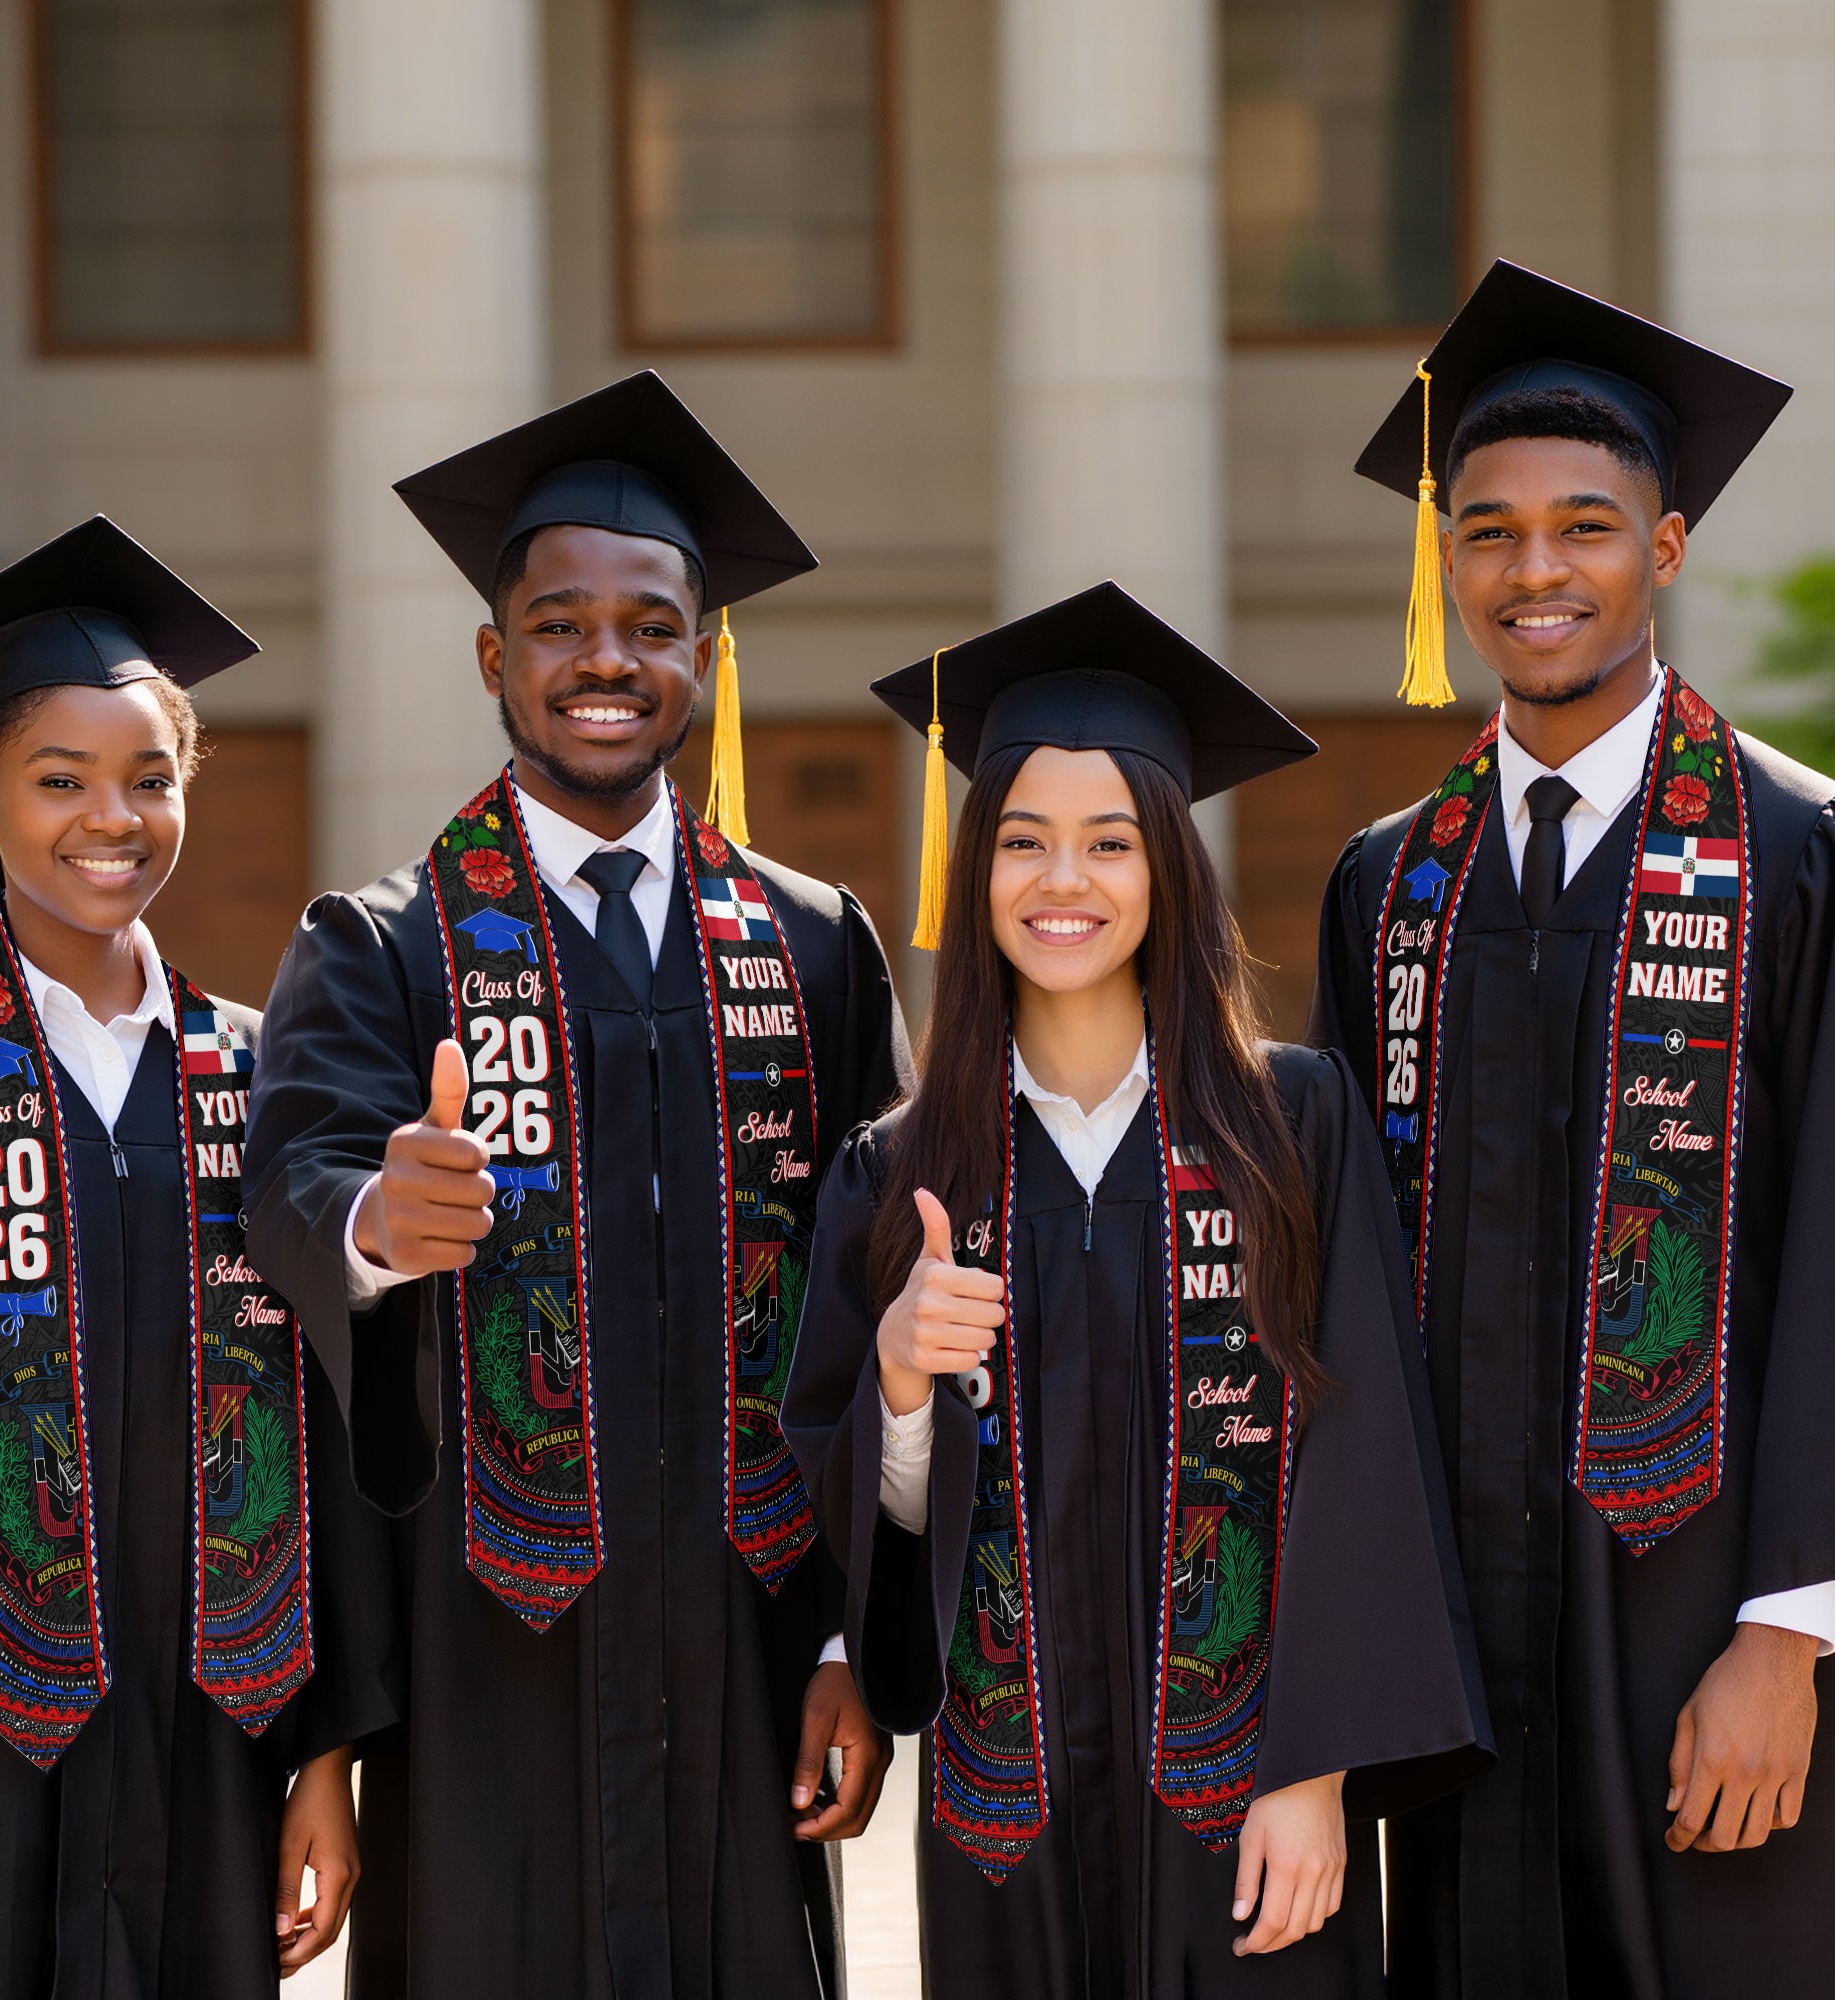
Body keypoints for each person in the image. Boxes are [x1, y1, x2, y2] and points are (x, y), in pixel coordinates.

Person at [242, 371, 911, 1996]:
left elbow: (879, 1297)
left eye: (651, 626)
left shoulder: (812, 947)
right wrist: (375, 1224)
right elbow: (292, 1187)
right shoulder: (385, 947)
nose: (606, 661)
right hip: (487, 1661)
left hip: (749, 1644)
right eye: (558, 626)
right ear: (495, 657)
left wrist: (850, 1637)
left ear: (706, 657)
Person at [783, 582, 1490, 1998]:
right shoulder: (902, 1169)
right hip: (1006, 1818)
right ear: (974, 871)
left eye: (1109, 842)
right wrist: (903, 1386)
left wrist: (1316, 1770)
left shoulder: (1294, 1127)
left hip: (1247, 1806)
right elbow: (866, 1538)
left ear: (1168, 867)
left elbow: (1366, 1452)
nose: (1065, 882)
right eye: (1023, 841)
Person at [1311, 260, 1835, 1999]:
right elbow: (1340, 1273)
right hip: (1456, 1633)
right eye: (1490, 531)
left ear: (1664, 549)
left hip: (1706, 1615)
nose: (1535, 569)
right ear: (1446, 561)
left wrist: (1791, 1630)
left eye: (1586, 527)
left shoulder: (1797, 855)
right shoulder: (1391, 884)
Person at [0, 516, 400, 1999]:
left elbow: (334, 1428)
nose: (112, 817)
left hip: (209, 1729)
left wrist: (326, 1758)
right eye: (59, 779)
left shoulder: (264, 1078)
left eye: (150, 779)